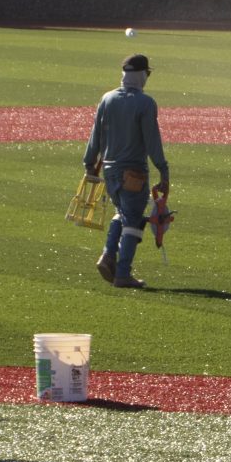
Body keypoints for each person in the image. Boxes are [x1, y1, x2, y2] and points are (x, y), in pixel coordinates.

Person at [82, 53, 169, 289]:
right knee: (132, 220)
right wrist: (163, 169)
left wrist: (89, 163)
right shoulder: (145, 103)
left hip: (109, 171)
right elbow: (152, 141)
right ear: (142, 75)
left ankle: (108, 256)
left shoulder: (107, 98)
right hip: (134, 172)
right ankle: (122, 273)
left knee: (122, 213)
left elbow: (95, 135)